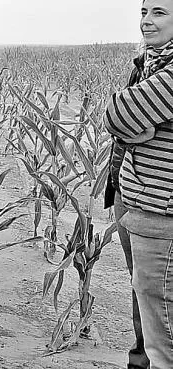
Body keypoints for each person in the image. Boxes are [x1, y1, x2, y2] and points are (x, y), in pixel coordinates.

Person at [105, 0, 173, 368]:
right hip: (133, 195)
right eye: (144, 12)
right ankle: (140, 358)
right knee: (146, 294)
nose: (147, 21)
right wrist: (132, 126)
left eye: (159, 13)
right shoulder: (148, 64)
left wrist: (130, 123)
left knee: (160, 307)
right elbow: (119, 117)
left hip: (160, 206)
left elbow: (117, 115)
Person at [105, 51, 151, 369]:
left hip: (159, 199)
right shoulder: (141, 68)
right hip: (129, 189)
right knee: (142, 282)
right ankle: (142, 358)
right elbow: (119, 125)